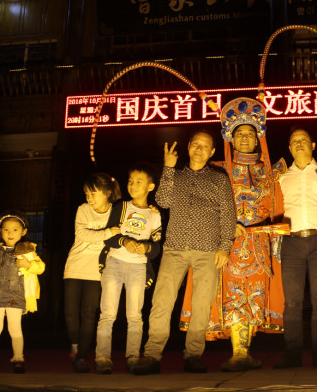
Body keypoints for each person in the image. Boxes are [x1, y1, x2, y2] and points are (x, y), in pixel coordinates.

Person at [179, 98, 287, 372]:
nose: (245, 138)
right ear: (230, 137)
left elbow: (279, 205)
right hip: (227, 244)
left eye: (250, 133)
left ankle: (243, 352)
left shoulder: (270, 172)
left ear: (257, 137)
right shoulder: (217, 170)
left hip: (259, 244)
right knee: (232, 294)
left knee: (255, 294)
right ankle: (237, 352)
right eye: (239, 133)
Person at [135, 130, 236, 375]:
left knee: (201, 304)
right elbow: (163, 201)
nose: (199, 148)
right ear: (189, 146)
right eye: (196, 144)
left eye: (205, 146)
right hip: (175, 248)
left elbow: (228, 213)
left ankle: (193, 355)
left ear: (212, 152)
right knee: (162, 302)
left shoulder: (219, 178)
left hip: (208, 249)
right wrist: (168, 168)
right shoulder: (176, 175)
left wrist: (225, 247)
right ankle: (152, 355)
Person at [274, 128, 317, 369]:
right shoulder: (280, 177)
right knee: (292, 302)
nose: (299, 144)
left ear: (313, 145)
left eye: (304, 140)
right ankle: (293, 354)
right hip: (292, 242)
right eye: (294, 141)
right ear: (289, 148)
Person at [94, 162, 161, 374]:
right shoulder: (121, 207)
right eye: (131, 181)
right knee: (107, 313)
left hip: (138, 268)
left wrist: (146, 247)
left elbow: (157, 247)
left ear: (150, 186)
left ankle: (133, 357)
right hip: (114, 262)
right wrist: (124, 241)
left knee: (135, 315)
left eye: (139, 182)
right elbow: (109, 237)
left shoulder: (154, 215)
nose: (132, 185)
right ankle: (102, 358)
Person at [63, 173, 121, 373]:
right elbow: (81, 234)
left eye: (93, 193)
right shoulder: (83, 209)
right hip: (75, 266)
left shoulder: (116, 212)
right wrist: (107, 233)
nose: (89, 198)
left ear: (107, 193)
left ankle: (81, 357)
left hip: (97, 271)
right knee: (70, 313)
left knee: (89, 314)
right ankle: (75, 344)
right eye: (87, 194)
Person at [0, 210, 45, 374]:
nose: (10, 233)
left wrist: (28, 264)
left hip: (16, 294)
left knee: (15, 328)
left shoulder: (28, 251)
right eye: (6, 229)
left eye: (15, 229)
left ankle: (18, 359)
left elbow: (40, 268)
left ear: (23, 232)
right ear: (0, 231)